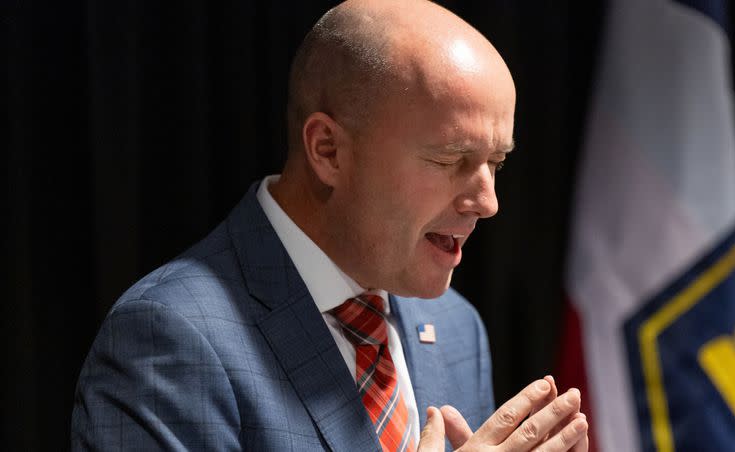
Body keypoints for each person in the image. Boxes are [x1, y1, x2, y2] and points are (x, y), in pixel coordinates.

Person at [72, 0, 589, 450]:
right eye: (449, 159)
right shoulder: (169, 339)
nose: (487, 201)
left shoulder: (457, 329)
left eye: (495, 163)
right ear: (328, 150)